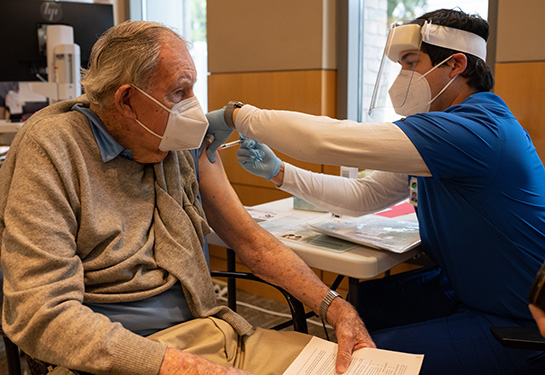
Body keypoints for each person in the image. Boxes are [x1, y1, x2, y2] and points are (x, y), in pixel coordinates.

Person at [0, 21, 375, 375]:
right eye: (179, 92)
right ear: (127, 100)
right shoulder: (51, 149)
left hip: (210, 330)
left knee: (354, 367)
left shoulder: (176, 145)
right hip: (117, 355)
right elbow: (42, 311)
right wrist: (178, 366)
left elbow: (253, 243)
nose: (193, 108)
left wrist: (336, 307)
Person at [205, 8, 545, 375]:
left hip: (518, 319)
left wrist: (236, 115)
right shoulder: (444, 131)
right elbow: (364, 196)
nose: (402, 77)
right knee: (361, 307)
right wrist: (280, 172)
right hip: (470, 289)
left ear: (456, 64)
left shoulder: (477, 130)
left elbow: (326, 140)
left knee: (362, 362)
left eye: (411, 62)